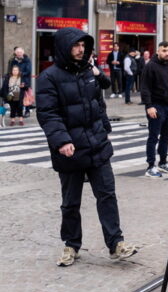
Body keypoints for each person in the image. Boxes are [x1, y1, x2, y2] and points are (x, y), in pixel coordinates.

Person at [36, 27, 137, 267]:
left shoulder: (88, 72)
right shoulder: (49, 78)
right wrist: (62, 141)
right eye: (76, 45)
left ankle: (116, 244)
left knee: (107, 195)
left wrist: (105, 131)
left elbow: (98, 104)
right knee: (71, 202)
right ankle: (71, 245)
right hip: (70, 150)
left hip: (97, 145)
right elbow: (48, 114)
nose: (81, 49)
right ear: (64, 47)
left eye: (83, 45)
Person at [140, 41, 168, 178]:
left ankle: (163, 162)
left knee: (166, 136)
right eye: (164, 51)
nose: (167, 53)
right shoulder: (151, 66)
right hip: (156, 106)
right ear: (158, 51)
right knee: (153, 137)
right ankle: (150, 166)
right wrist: (149, 106)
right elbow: (144, 88)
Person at [7, 47, 32, 117]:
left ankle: (27, 111)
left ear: (23, 52)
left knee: (26, 97)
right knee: (16, 96)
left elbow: (28, 71)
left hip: (25, 81)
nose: (19, 54)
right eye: (18, 53)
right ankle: (18, 112)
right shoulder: (13, 61)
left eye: (20, 52)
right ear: (15, 53)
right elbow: (10, 71)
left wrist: (18, 74)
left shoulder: (27, 60)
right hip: (15, 81)